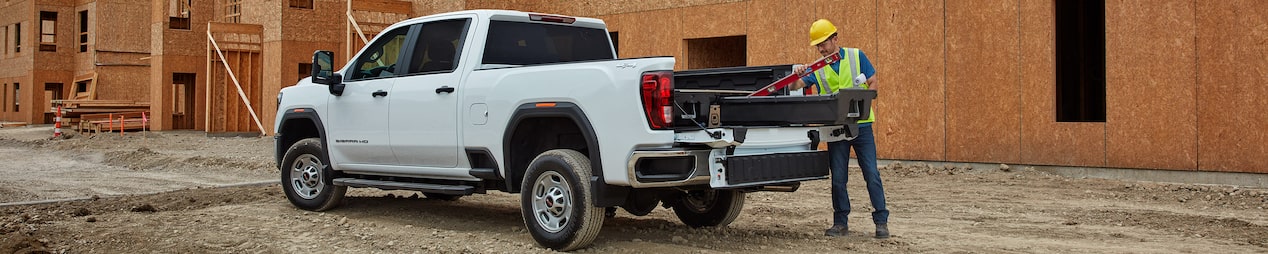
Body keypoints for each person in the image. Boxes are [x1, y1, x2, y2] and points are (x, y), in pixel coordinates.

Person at [790, 19, 889, 239]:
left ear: (835, 39)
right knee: (838, 178)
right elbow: (795, 86)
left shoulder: (856, 56)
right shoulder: (818, 67)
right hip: (836, 129)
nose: (821, 49)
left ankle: (881, 222)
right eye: (818, 46)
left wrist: (865, 102)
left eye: (823, 43)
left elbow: (874, 83)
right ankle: (840, 223)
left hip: (861, 127)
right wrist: (797, 73)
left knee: (871, 174)